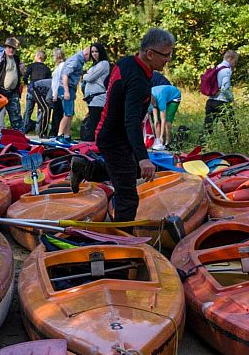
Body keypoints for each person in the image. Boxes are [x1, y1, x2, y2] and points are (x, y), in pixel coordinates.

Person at [70, 27, 173, 222]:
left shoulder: (126, 62)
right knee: (128, 197)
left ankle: (85, 168)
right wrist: (143, 157)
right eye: (166, 55)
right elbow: (131, 121)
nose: (168, 59)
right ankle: (120, 237)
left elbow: (110, 83)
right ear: (150, 54)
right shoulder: (138, 80)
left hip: (113, 134)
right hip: (114, 140)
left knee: (128, 170)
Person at [79, 42, 110, 142]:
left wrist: (86, 76)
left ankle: (98, 142)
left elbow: (90, 77)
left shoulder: (104, 64)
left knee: (97, 123)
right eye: (92, 52)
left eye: (96, 51)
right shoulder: (94, 65)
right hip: (91, 99)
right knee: (93, 123)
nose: (94, 54)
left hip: (98, 98)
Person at [56, 46, 87, 142]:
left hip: (71, 88)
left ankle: (67, 136)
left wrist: (74, 91)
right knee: (67, 113)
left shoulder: (79, 60)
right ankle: (59, 135)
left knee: (70, 114)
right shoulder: (76, 60)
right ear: (86, 54)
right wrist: (66, 91)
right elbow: (65, 75)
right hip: (66, 88)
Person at [204, 49, 238, 132]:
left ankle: (202, 141)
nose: (235, 64)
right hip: (222, 103)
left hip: (210, 102)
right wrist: (231, 99)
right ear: (230, 59)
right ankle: (235, 141)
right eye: (235, 61)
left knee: (207, 129)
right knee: (231, 129)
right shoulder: (226, 70)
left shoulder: (216, 68)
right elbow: (225, 88)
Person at [22, 49, 51, 133]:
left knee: (28, 110)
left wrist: (26, 83)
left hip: (31, 89)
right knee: (40, 110)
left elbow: (25, 77)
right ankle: (38, 129)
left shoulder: (31, 66)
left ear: (38, 57)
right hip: (41, 92)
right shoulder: (47, 69)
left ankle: (24, 127)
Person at [150, 84, 182, 149]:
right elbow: (156, 121)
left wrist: (161, 136)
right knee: (155, 120)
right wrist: (155, 120)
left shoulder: (161, 98)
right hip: (160, 96)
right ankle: (158, 141)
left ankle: (167, 143)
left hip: (174, 97)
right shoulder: (149, 97)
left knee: (167, 120)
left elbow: (163, 119)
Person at [48, 48, 66, 137]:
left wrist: (56, 93)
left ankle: (58, 131)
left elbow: (60, 80)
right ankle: (54, 131)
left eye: (53, 55)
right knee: (55, 112)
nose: (52, 57)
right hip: (55, 92)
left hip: (58, 93)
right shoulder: (58, 66)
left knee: (58, 113)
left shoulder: (62, 66)